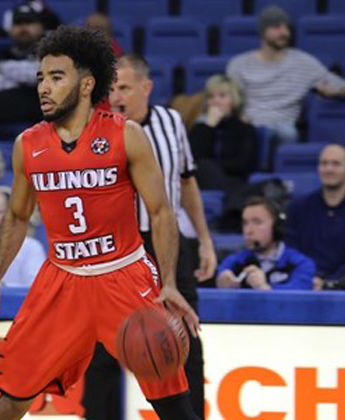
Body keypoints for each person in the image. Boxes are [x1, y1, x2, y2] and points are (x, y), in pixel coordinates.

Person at [0, 26, 201, 420]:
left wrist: (168, 283)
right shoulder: (27, 145)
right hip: (62, 279)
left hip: (124, 275)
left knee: (174, 407)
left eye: (56, 77)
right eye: (41, 78)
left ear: (86, 84)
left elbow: (162, 212)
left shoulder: (125, 135)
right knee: (10, 401)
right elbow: (17, 215)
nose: (44, 87)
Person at [83, 53, 216, 419]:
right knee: (104, 349)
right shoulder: (96, 129)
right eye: (111, 90)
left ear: (146, 86)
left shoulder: (172, 122)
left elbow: (187, 183)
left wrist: (204, 239)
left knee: (184, 338)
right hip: (116, 250)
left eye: (124, 87)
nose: (117, 96)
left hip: (167, 243)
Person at [227, 5, 345, 142]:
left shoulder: (304, 63)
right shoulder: (239, 64)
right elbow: (229, 99)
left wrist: (335, 92)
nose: (284, 32)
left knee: (287, 133)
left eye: (286, 27)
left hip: (284, 127)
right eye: (277, 27)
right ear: (262, 31)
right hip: (248, 125)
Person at [286, 145, 345, 289]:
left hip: (344, 289)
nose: (329, 169)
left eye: (336, 164)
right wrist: (308, 278)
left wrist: (330, 283)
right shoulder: (298, 208)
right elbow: (291, 250)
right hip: (302, 284)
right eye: (324, 163)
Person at [216, 196, 315, 290]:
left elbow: (298, 299)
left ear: (277, 227)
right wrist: (222, 284)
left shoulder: (301, 264)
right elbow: (222, 276)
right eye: (245, 223)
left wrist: (263, 287)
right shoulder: (234, 261)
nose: (248, 231)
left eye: (257, 222)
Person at [0, 3, 44, 124]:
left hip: (34, 122)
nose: (23, 28)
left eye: (29, 22)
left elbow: (36, 74)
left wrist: (2, 68)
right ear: (10, 29)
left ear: (39, 27)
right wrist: (23, 83)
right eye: (18, 23)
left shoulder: (49, 54)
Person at [188, 74, 258, 191]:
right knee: (204, 166)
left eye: (222, 96)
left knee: (206, 166)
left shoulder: (245, 129)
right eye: (211, 97)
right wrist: (209, 126)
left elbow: (243, 164)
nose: (216, 101)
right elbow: (191, 160)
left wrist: (213, 167)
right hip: (201, 182)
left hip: (233, 180)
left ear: (234, 100)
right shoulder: (200, 128)